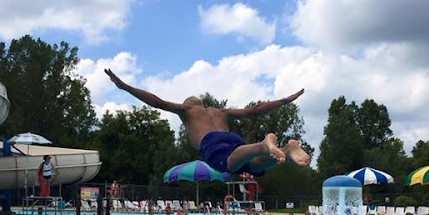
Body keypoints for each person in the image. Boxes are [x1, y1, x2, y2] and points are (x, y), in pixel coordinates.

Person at [105, 68, 310, 175]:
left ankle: (264, 144)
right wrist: (285, 100)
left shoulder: (187, 110)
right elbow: (254, 111)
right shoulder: (220, 111)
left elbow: (157, 102)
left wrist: (124, 87)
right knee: (253, 166)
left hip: (213, 143)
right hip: (233, 141)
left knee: (230, 163)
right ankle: (287, 149)